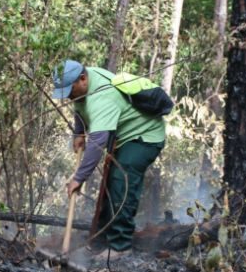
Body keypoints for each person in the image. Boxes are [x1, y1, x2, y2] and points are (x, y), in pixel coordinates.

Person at [52, 60, 166, 255]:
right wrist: (79, 132)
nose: (68, 96)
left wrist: (78, 178)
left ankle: (120, 246)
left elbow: (97, 144)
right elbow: (80, 105)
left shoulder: (103, 97)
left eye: (69, 90)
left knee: (121, 183)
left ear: (82, 79)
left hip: (145, 137)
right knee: (109, 186)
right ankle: (100, 241)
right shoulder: (86, 82)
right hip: (124, 137)